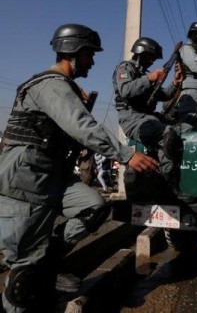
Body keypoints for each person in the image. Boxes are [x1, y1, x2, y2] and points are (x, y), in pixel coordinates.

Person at [0, 24, 159, 312]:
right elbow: (83, 128)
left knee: (94, 205)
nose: (92, 62)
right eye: (89, 55)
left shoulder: (66, 89)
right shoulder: (51, 85)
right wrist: (125, 155)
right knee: (22, 279)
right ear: (74, 53)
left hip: (52, 177)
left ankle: (48, 260)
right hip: (25, 180)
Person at [113, 37, 185, 197]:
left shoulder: (143, 74)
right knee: (167, 135)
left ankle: (164, 184)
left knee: (173, 136)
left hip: (147, 117)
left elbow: (163, 95)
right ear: (141, 53)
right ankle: (168, 187)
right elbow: (126, 90)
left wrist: (175, 82)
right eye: (150, 57)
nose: (151, 62)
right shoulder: (125, 68)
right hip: (133, 118)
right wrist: (150, 78)